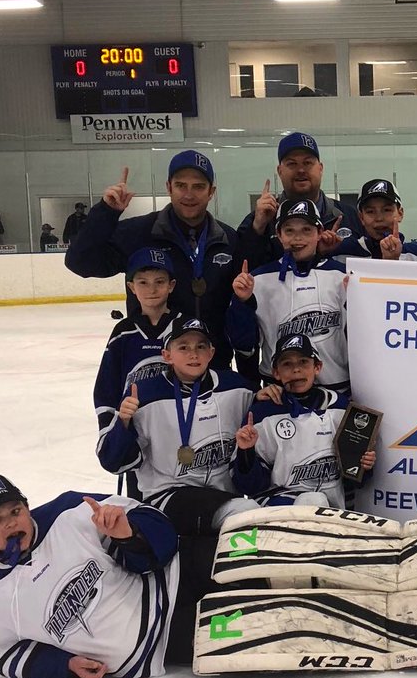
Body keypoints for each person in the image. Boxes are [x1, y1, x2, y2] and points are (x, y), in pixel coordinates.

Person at [0, 474, 181, 678]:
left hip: (173, 583)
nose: (10, 523)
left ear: (27, 508)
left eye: (15, 511)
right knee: (216, 631)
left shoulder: (69, 511)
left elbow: (157, 522)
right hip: (163, 644)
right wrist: (62, 664)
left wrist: (130, 534)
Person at [64, 150, 241, 368]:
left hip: (212, 364)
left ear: (211, 191)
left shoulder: (228, 239)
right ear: (168, 187)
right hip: (152, 363)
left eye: (198, 186)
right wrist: (106, 213)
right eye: (181, 185)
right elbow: (80, 262)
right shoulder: (138, 233)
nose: (189, 194)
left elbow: (240, 309)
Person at [96, 317, 256, 535]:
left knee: (253, 516)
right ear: (167, 356)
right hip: (167, 496)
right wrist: (123, 423)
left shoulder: (237, 388)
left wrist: (268, 397)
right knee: (246, 513)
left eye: (201, 346)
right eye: (183, 347)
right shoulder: (144, 395)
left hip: (222, 494)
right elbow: (112, 463)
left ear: (211, 352)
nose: (193, 354)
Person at [232, 333, 376, 508]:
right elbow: (249, 486)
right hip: (277, 506)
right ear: (276, 372)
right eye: (287, 364)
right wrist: (246, 452)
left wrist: (365, 466)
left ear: (317, 367)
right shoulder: (263, 412)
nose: (296, 370)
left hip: (329, 509)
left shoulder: (340, 406)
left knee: (316, 501)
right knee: (312, 501)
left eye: (303, 362)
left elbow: (355, 479)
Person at [228, 199, 349, 391]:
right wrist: (242, 302)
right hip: (280, 393)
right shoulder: (259, 280)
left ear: (319, 233)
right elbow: (244, 346)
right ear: (278, 234)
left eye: (306, 230)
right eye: (289, 231)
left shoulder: (343, 277)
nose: (297, 238)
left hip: (337, 392)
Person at [93, 247, 182, 453]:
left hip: (178, 427)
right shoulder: (123, 332)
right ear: (132, 287)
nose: (152, 289)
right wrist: (111, 427)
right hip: (135, 430)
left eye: (159, 282)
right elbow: (106, 386)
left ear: (171, 285)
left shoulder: (185, 328)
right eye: (143, 282)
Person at [235, 131, 364, 267]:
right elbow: (239, 273)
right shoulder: (258, 220)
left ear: (320, 168)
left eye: (307, 162)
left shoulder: (349, 217)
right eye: (292, 164)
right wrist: (258, 229)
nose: (301, 170)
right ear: (279, 171)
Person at [330, 179, 406, 261]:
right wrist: (320, 252)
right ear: (361, 217)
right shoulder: (340, 253)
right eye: (370, 211)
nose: (379, 218)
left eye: (387, 210)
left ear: (400, 213)